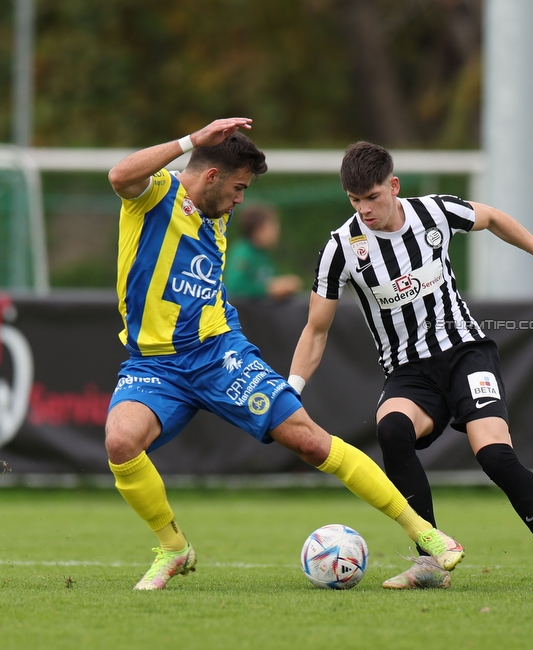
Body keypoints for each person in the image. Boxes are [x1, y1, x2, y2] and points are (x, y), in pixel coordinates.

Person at [105, 118, 463, 591]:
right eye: (238, 187)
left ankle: (428, 534)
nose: (241, 200)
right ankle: (173, 548)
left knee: (311, 442)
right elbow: (118, 176)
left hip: (217, 354)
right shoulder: (154, 194)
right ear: (210, 176)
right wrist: (191, 141)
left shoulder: (218, 213)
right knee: (120, 442)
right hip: (152, 363)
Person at [287, 141, 533, 591]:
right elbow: (316, 330)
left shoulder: (434, 212)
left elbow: (491, 217)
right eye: (355, 201)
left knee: (494, 456)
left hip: (466, 353)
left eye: (373, 197)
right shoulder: (341, 249)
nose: (365, 209)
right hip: (409, 372)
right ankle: (430, 561)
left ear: (393, 186)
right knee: (391, 429)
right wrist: (290, 389)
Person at [224, 204, 302, 299]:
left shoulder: (263, 253)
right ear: (258, 229)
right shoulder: (243, 252)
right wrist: (268, 289)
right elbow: (235, 287)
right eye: (272, 227)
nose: (276, 232)